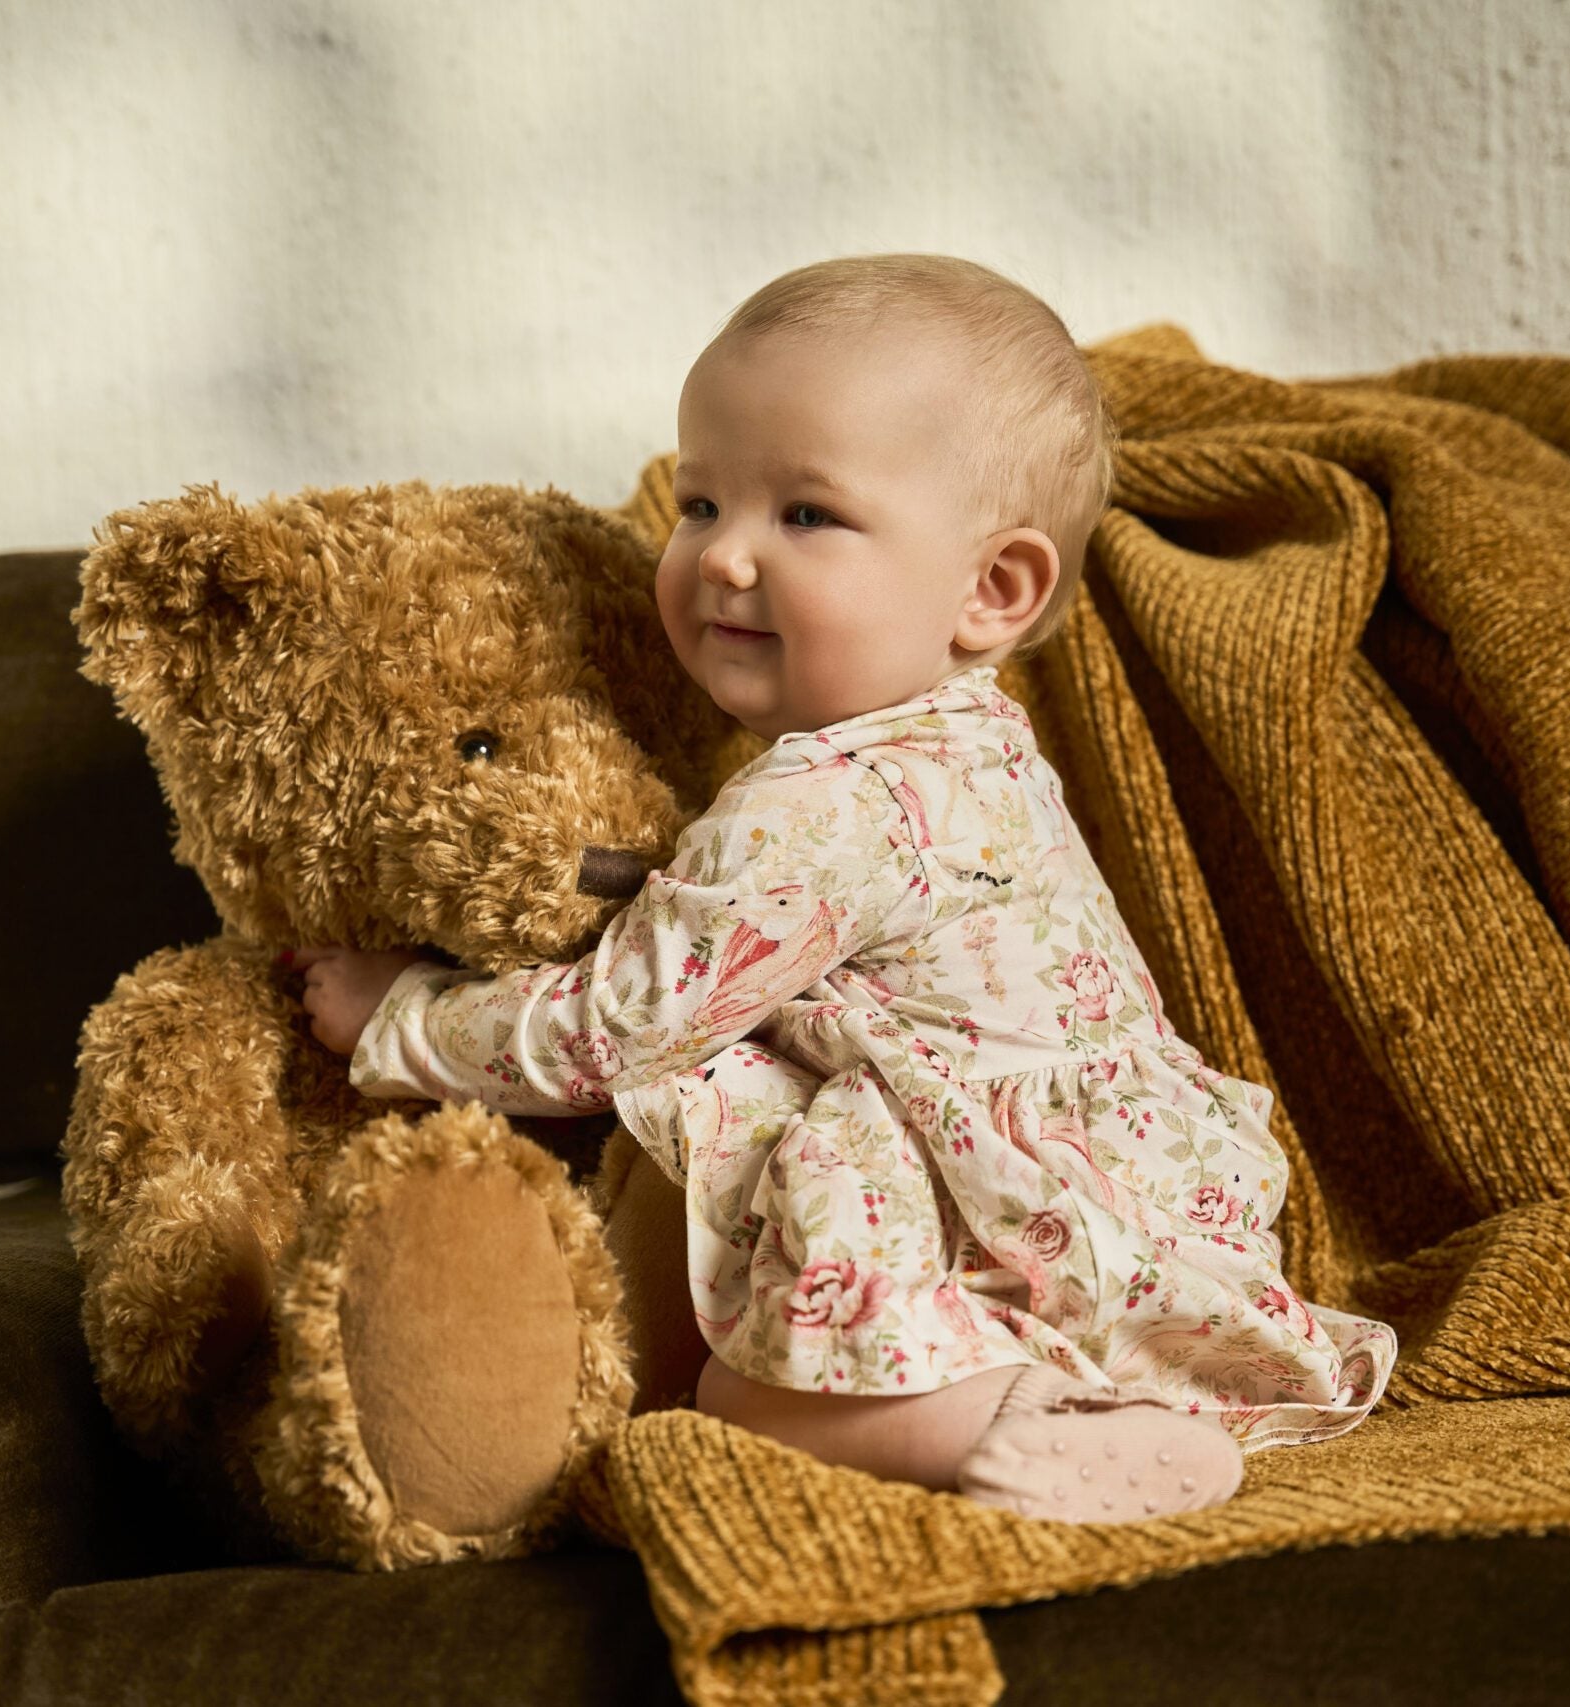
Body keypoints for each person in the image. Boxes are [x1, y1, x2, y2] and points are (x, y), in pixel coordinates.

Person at [294, 253, 1394, 1523]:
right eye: (701, 503)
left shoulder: (823, 806)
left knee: (739, 1398)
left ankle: (1039, 1421)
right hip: (1105, 1187)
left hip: (1001, 1193)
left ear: (993, 589)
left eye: (804, 515)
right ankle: (1074, 1391)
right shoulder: (968, 739)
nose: (722, 559)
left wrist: (405, 1018)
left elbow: (621, 1025)